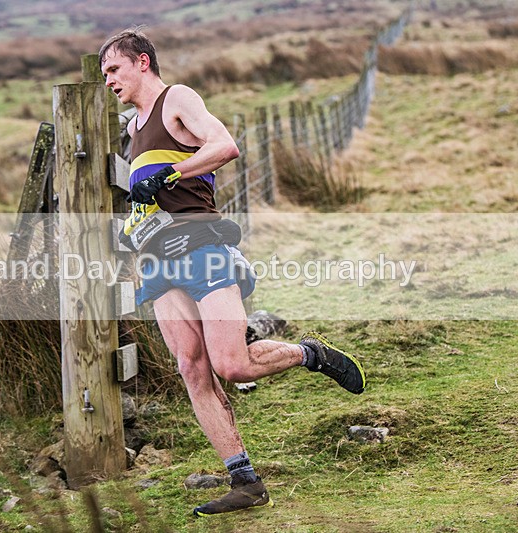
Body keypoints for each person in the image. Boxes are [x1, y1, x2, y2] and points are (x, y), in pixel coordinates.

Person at [99, 28, 366, 517]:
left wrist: (172, 174)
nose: (109, 80)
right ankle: (244, 480)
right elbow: (151, 196)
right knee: (191, 367)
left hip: (202, 246)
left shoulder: (175, 99)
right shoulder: (133, 128)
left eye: (113, 69)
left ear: (142, 62)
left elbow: (225, 146)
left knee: (233, 364)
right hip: (159, 262)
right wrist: (132, 224)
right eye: (103, 74)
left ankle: (311, 353)